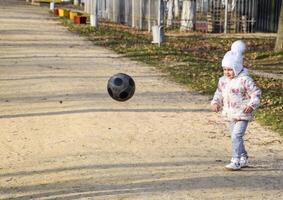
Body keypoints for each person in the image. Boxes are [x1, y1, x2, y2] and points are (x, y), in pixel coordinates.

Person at [211, 40, 261, 170]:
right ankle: (243, 156)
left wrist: (251, 105)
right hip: (229, 113)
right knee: (235, 137)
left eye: (230, 69)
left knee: (236, 136)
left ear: (237, 68)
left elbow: (256, 93)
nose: (227, 72)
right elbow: (219, 93)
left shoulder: (244, 80)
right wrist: (216, 102)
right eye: (225, 69)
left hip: (243, 113)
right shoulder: (223, 81)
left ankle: (236, 160)